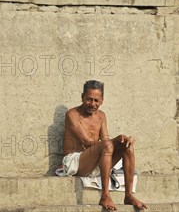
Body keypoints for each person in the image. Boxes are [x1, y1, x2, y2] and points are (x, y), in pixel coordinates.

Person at [62, 80, 147, 211]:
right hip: (75, 162)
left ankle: (129, 195)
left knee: (127, 147)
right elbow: (86, 141)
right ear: (82, 97)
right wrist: (114, 141)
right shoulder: (72, 114)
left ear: (102, 100)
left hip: (95, 162)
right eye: (89, 99)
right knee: (109, 144)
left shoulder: (101, 116)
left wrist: (121, 141)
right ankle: (105, 195)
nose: (92, 104)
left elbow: (106, 141)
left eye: (96, 100)